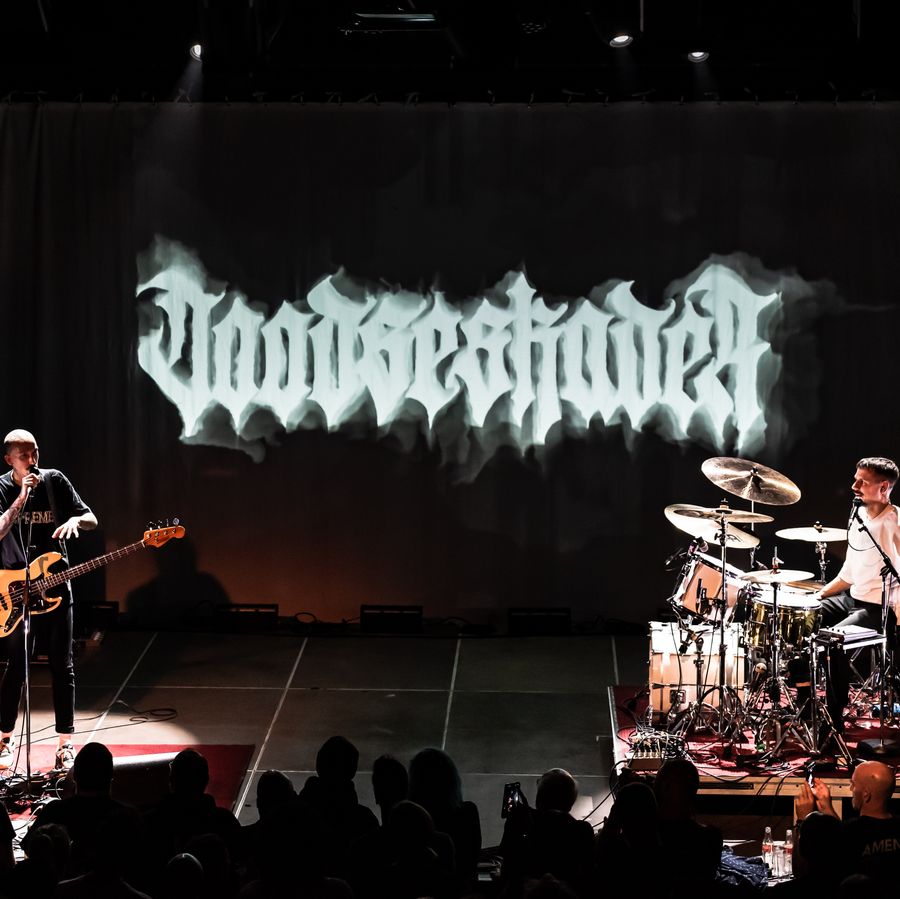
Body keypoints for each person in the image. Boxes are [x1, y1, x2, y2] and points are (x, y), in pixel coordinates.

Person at [0, 429, 97, 771]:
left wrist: (75, 520)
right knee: (17, 667)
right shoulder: (2, 488)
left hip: (56, 586)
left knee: (62, 666)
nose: (33, 461)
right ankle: (5, 739)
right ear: (9, 459)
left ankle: (65, 744)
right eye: (25, 455)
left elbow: (91, 518)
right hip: (16, 591)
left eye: (36, 452)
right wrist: (21, 498)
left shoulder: (55, 480)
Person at [816, 457, 900, 630]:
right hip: (852, 600)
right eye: (856, 480)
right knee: (807, 614)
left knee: (831, 639)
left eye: (863, 482)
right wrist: (818, 595)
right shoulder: (858, 515)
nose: (854, 486)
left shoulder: (896, 523)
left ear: (883, 487)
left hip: (881, 608)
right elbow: (848, 575)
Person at [795, 759, 900, 886]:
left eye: (853, 784)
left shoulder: (850, 832)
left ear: (866, 794)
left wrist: (803, 820)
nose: (851, 789)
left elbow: (803, 872)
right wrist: (826, 807)